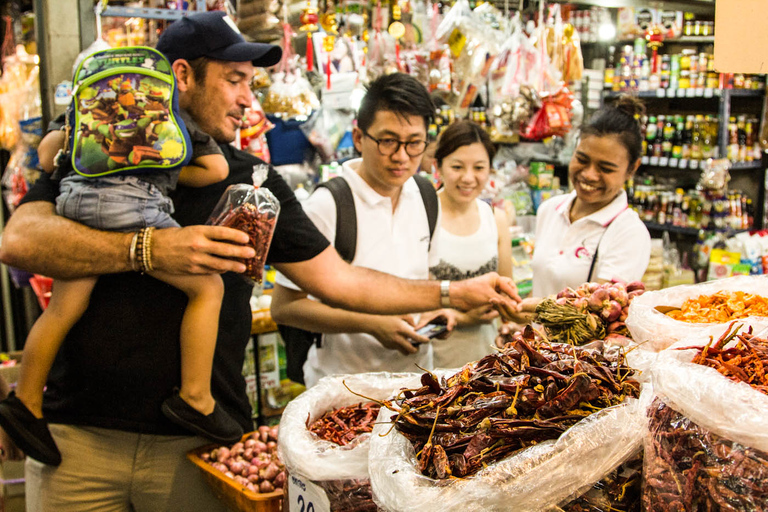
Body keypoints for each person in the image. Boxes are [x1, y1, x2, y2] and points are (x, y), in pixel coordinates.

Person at [0, 11, 519, 511]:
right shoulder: (99, 149)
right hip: (78, 441)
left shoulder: (252, 180)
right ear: (183, 75)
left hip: (197, 446)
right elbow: (20, 240)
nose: (249, 99)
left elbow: (336, 279)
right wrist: (150, 248)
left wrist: (452, 293)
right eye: (235, 79)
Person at [0, 93, 240, 467]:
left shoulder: (85, 106)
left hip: (75, 206)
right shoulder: (165, 107)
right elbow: (216, 170)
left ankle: (26, 403)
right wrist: (168, 169)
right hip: (135, 207)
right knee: (208, 287)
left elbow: (47, 159)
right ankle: (196, 398)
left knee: (64, 308)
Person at [270, 73, 456, 387]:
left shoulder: (426, 196)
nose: (401, 156)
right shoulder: (330, 204)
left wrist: (435, 313)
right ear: (359, 138)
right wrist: (371, 325)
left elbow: (425, 281)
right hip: (344, 389)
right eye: (387, 141)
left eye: (414, 143)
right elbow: (285, 307)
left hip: (414, 384)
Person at [503, 95, 650, 325]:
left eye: (606, 168)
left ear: (632, 169)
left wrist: (536, 310)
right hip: (536, 351)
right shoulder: (549, 210)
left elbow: (603, 313)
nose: (589, 174)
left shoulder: (629, 232)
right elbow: (543, 284)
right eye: (582, 159)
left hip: (579, 358)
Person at [424, 120, 513, 368]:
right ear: (438, 166)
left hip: (487, 360)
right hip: (431, 362)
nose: (468, 178)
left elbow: (507, 293)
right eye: (457, 166)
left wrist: (510, 323)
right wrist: (464, 318)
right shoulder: (423, 216)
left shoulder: (495, 218)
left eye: (479, 167)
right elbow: (405, 299)